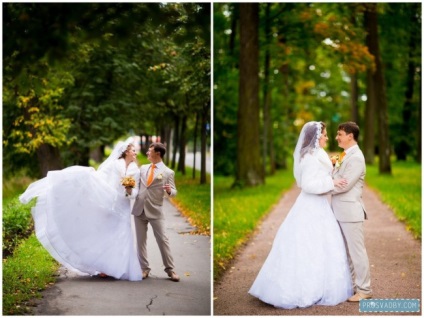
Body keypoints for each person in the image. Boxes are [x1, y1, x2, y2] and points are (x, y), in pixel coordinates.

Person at [248, 121, 353, 309]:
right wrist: (332, 183)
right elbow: (308, 185)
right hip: (310, 206)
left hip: (320, 206)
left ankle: (319, 286)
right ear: (315, 137)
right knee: (306, 245)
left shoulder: (318, 154)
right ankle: (302, 289)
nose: (328, 138)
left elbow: (321, 170)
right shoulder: (309, 158)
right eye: (325, 135)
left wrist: (332, 165)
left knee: (320, 246)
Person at [19, 138, 142, 281]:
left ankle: (118, 268)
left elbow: (135, 193)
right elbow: (100, 178)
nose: (135, 153)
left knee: (122, 235)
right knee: (106, 235)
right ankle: (105, 267)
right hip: (108, 202)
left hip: (123, 206)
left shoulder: (135, 171)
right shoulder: (114, 165)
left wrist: (128, 190)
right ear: (126, 151)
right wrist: (88, 178)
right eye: (133, 150)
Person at [331, 122, 372, 301]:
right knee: (346, 252)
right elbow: (335, 176)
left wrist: (322, 187)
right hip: (339, 211)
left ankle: (365, 290)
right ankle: (354, 287)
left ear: (350, 136)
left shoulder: (356, 157)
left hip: (350, 211)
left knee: (357, 252)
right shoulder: (344, 155)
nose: (337, 137)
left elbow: (344, 184)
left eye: (339, 134)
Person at [131, 142, 180, 282]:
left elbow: (174, 191)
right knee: (140, 241)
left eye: (149, 150)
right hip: (139, 209)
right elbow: (137, 186)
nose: (147, 152)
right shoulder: (143, 168)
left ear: (157, 154)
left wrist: (170, 191)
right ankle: (144, 269)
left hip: (155, 210)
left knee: (163, 240)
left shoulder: (168, 172)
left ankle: (170, 270)